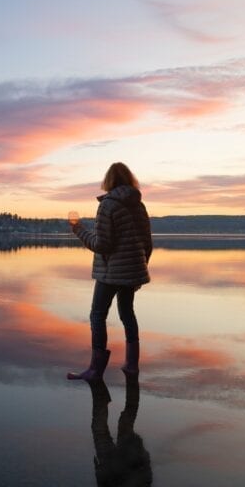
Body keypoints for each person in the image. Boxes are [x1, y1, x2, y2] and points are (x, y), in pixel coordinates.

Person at [67, 162, 152, 381]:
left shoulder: (108, 205)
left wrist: (78, 229)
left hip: (110, 273)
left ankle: (95, 370)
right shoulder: (139, 206)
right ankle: (132, 365)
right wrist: (139, 270)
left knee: (97, 315)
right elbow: (147, 243)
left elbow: (102, 245)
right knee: (127, 314)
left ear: (108, 181)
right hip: (131, 271)